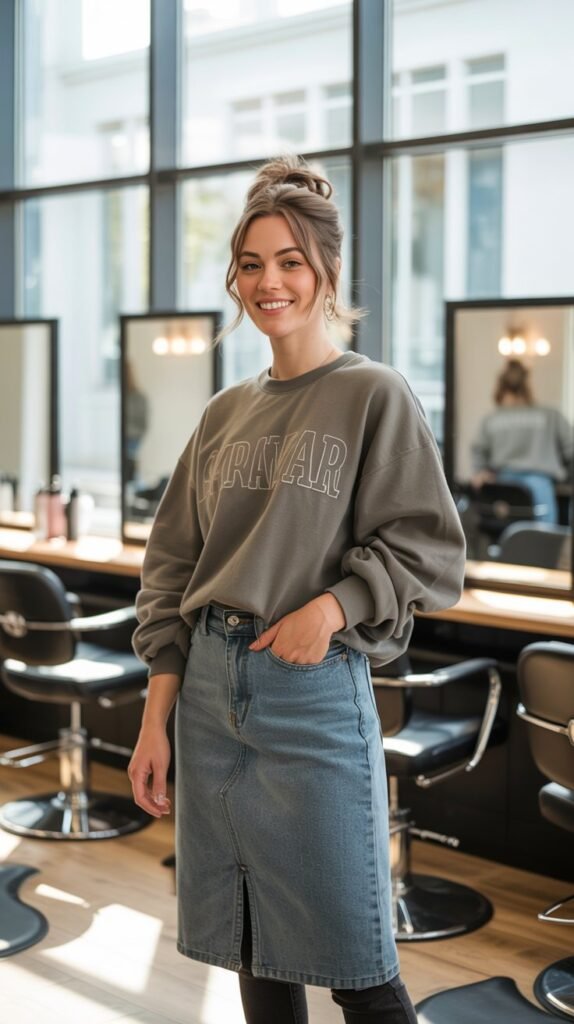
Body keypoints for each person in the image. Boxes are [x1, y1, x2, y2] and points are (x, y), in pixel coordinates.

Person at [128, 155, 466, 1024]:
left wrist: (335, 605)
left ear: (326, 274)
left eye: (289, 262)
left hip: (310, 695)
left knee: (357, 962)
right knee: (250, 948)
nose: (268, 282)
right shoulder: (223, 413)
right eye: (250, 263)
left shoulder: (372, 394)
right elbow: (171, 569)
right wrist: (154, 718)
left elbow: (432, 553)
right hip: (206, 692)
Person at [471, 359, 573, 524]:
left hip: (503, 490)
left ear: (500, 387)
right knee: (543, 538)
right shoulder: (551, 415)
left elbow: (478, 455)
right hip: (540, 486)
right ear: (528, 386)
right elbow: (571, 449)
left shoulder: (491, 419)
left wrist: (480, 473)